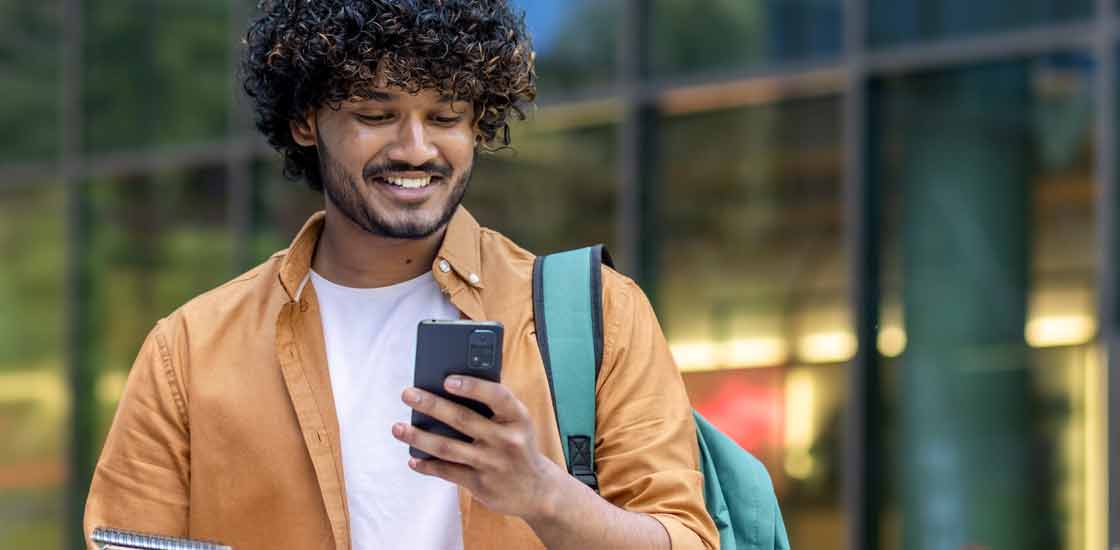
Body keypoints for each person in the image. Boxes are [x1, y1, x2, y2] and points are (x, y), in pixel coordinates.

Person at [84, 1, 718, 549]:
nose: (416, 148)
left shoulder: (601, 313)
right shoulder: (190, 352)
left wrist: (542, 493)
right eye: (375, 114)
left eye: (445, 117)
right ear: (306, 122)